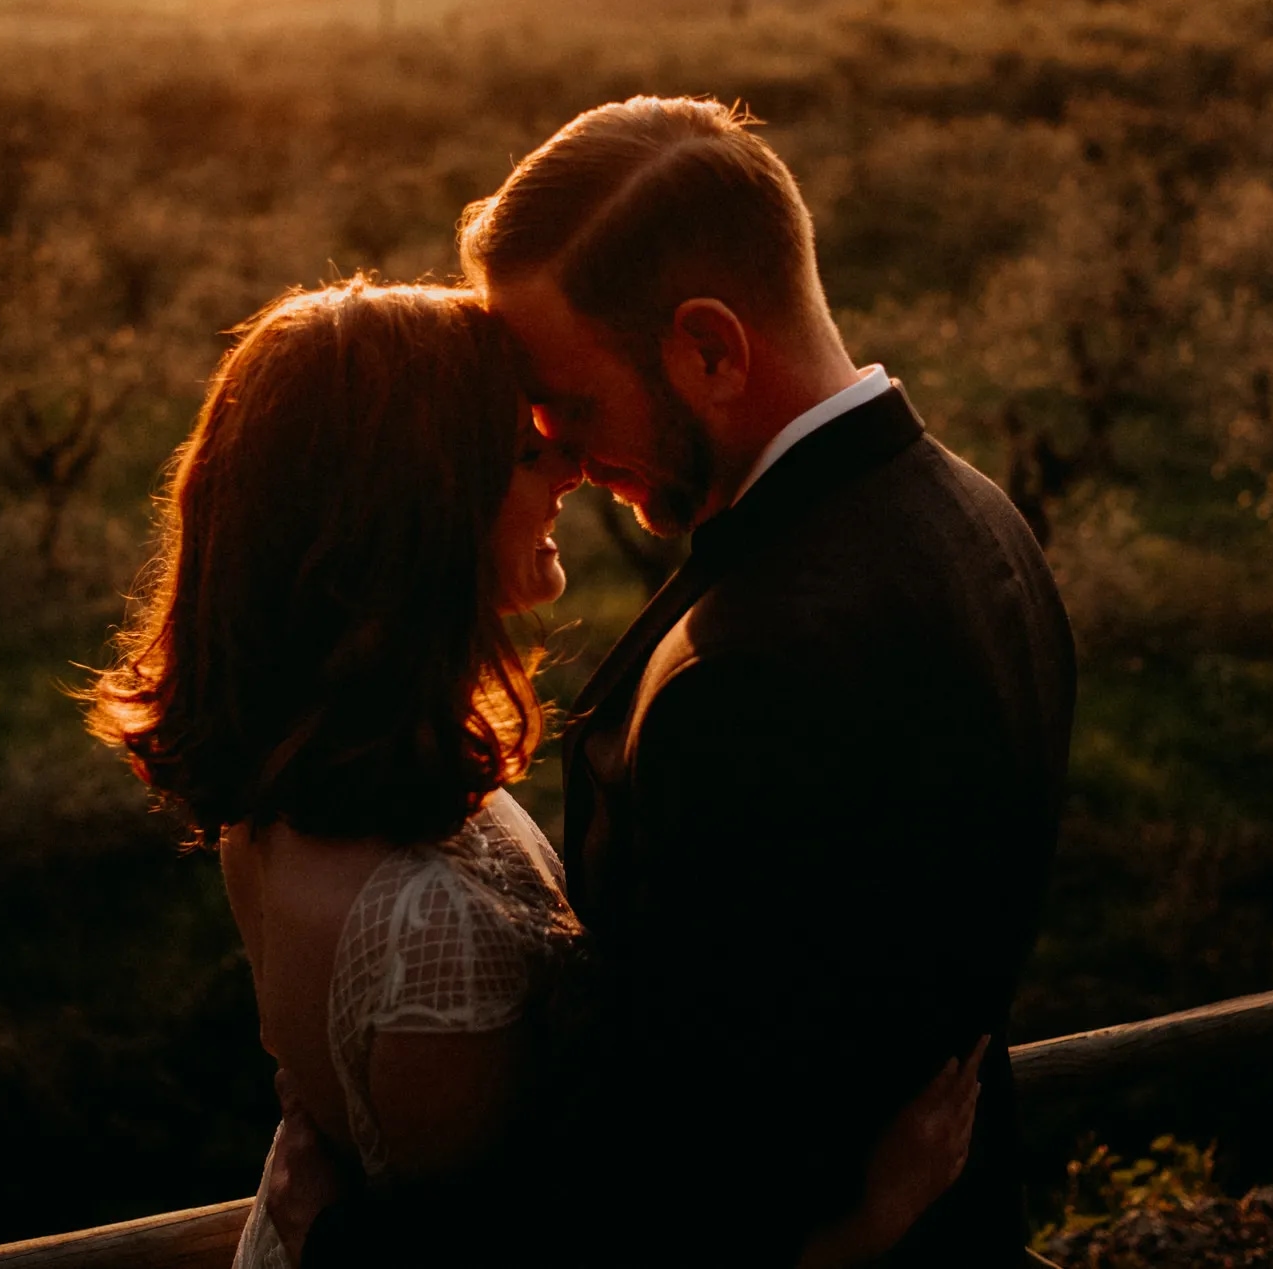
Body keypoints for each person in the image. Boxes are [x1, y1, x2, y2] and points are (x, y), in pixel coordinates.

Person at [272, 100, 1077, 1267]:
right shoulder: (979, 517)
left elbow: (676, 1178)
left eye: (578, 406)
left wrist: (350, 1248)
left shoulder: (746, 676)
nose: (572, 458)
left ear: (709, 347)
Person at [86, 280, 986, 1269]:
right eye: (522, 451)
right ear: (411, 513)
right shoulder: (429, 934)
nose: (569, 468)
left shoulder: (314, 778)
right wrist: (860, 1230)